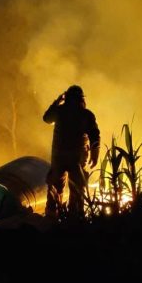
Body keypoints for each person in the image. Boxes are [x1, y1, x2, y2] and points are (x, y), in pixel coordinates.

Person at [43, 85, 100, 220]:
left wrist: (57, 102)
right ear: (82, 99)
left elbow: (46, 118)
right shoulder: (86, 114)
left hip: (59, 157)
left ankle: (52, 218)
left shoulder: (60, 111)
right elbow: (94, 136)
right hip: (78, 158)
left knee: (55, 188)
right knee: (77, 189)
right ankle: (75, 219)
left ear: (66, 98)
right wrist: (94, 154)